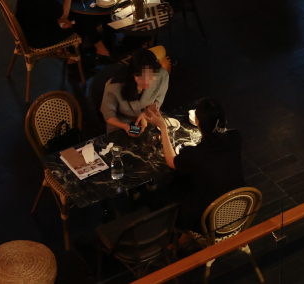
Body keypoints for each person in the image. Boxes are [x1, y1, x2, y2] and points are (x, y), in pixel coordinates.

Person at [145, 97, 244, 232]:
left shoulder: (196, 154)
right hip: (240, 207)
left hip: (210, 220)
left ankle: (182, 237)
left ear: (197, 121)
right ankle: (185, 238)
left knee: (157, 198)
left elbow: (171, 160)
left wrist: (163, 127)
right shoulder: (235, 137)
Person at [101, 48, 169, 134]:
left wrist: (146, 115)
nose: (146, 82)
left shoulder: (162, 76)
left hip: (149, 119)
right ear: (133, 74)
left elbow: (157, 102)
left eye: (150, 77)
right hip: (122, 123)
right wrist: (124, 126)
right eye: (141, 77)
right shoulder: (114, 86)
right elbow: (108, 115)